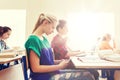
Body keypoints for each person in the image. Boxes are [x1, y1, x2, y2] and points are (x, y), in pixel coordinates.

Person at [25, 13, 95, 80]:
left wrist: (60, 61)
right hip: (44, 77)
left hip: (50, 74)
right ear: (45, 22)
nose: (53, 31)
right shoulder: (33, 40)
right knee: (88, 75)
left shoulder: (44, 39)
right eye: (52, 27)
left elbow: (48, 62)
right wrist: (59, 66)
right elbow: (36, 68)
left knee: (88, 73)